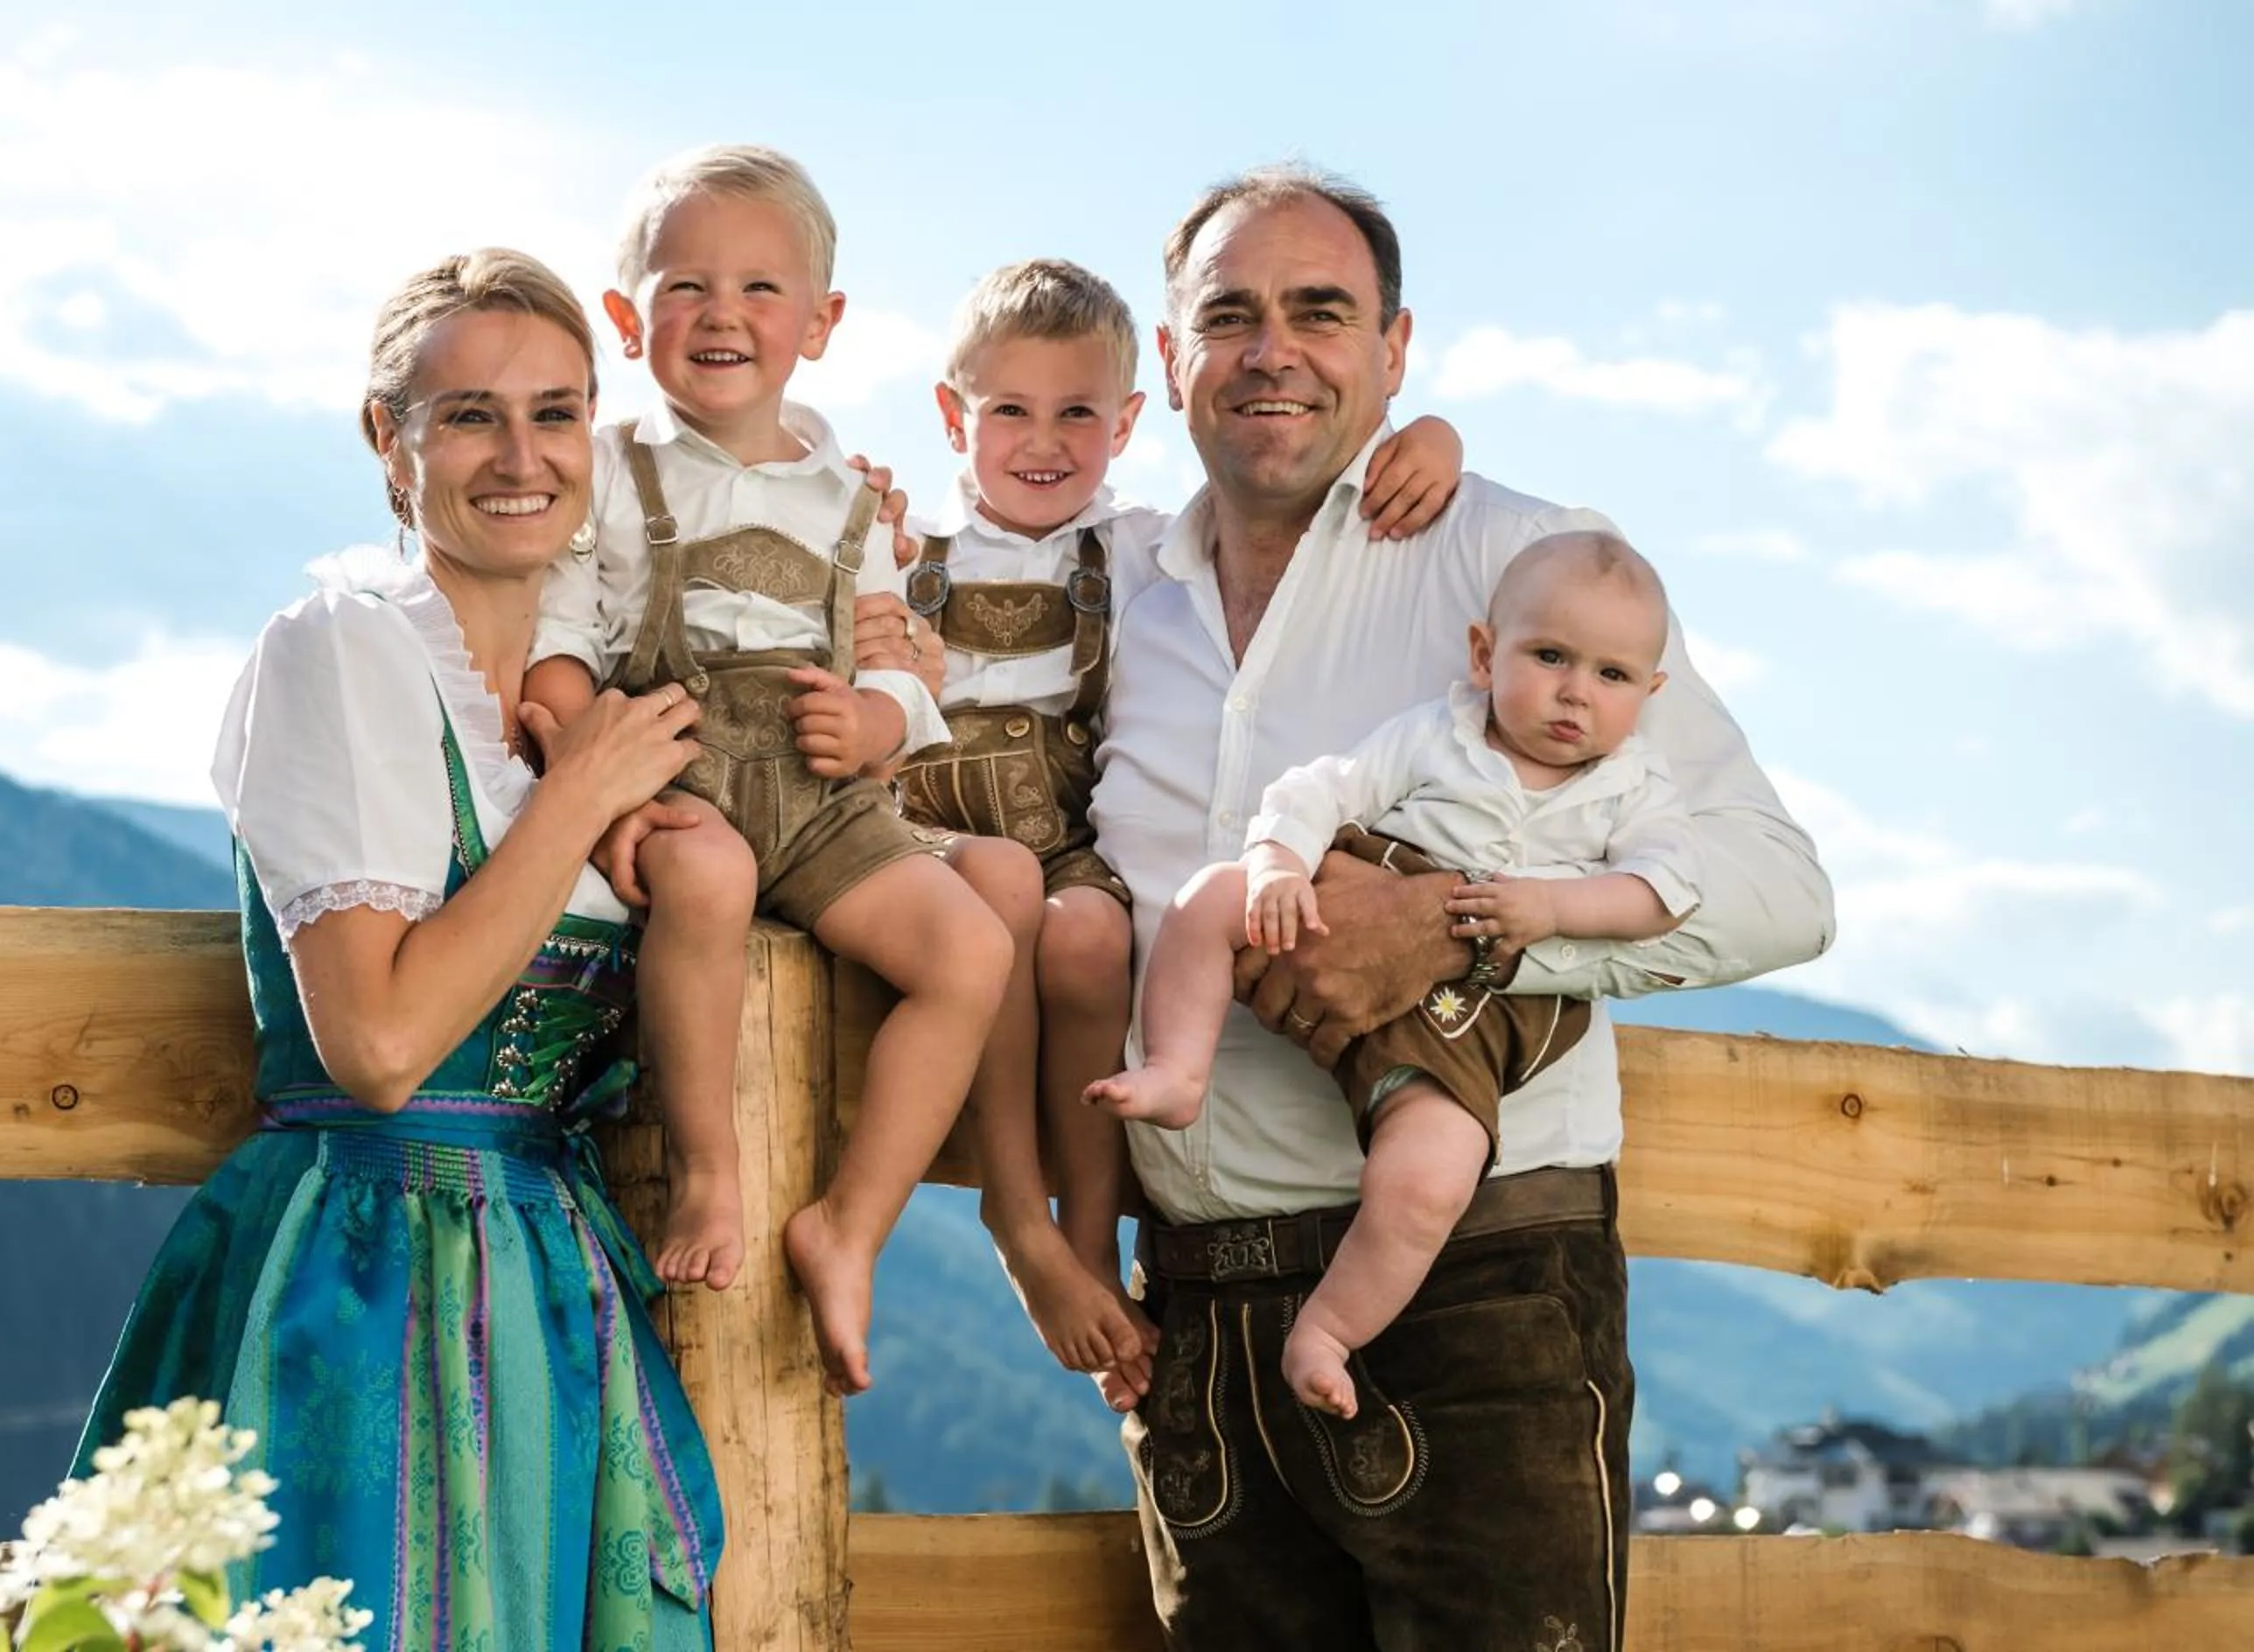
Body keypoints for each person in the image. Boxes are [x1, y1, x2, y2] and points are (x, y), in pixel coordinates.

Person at [1089, 166, 1833, 1650]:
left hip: (1480, 1294)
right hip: (1197, 1330)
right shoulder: (1120, 595)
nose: (1272, 349)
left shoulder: (1527, 561)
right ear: (1171, 358)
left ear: (1395, 348)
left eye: (1320, 311)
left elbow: (1777, 892)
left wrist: (1457, 924)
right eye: (1227, 315)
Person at [76, 248, 724, 1650]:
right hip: (359, 1271)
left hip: (548, 1275)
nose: (522, 455)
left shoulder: (577, 700)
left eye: (557, 414)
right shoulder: (342, 652)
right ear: (388, 439)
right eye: (470, 414)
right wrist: (576, 805)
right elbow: (375, 1045)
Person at [886, 258, 1467, 1401]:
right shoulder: (902, 556)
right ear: (953, 415)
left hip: (1064, 848)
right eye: (1010, 410)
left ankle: (1093, 1238)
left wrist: (1430, 434)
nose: (1044, 441)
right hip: (933, 850)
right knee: (1004, 900)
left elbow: (1290, 503)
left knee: (1093, 941)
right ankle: (1018, 1213)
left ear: (1128, 420)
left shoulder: (1142, 549)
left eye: (1078, 415)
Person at [524, 144, 1013, 1397]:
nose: (722, 315)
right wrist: (601, 780)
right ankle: (706, 1164)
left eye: (759, 289)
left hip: (822, 798)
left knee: (969, 952)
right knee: (706, 880)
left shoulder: (850, 497)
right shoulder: (612, 473)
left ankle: (848, 1225)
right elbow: (565, 648)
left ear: (821, 322)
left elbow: (900, 669)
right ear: (630, 320)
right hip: (680, 780)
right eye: (685, 287)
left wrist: (879, 722)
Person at [1088, 528, 1698, 1424]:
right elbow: (1324, 787)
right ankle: (1180, 1068)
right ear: (1486, 654)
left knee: (1429, 1177)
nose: (1575, 690)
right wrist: (1277, 863)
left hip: (1474, 1011)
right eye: (1550, 655)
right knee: (1210, 895)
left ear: (1650, 693)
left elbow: (1665, 892)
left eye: (1611, 676)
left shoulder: (1633, 790)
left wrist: (1553, 908)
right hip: (1354, 900)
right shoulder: (1441, 732)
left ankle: (1328, 1330)